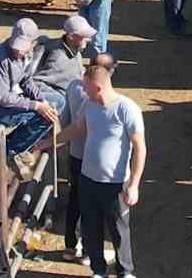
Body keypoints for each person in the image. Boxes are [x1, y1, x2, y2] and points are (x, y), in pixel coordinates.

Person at [53, 60, 146, 278]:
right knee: (91, 227)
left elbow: (140, 148)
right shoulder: (89, 105)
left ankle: (125, 271)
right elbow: (76, 129)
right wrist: (49, 142)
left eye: (86, 88)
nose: (83, 91)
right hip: (88, 180)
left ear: (98, 87)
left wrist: (134, 185)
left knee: (119, 230)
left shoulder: (126, 108)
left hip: (115, 183)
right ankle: (98, 270)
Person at [0, 18, 60, 157]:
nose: (18, 50)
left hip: (6, 98)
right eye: (16, 45)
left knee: (55, 103)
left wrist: (41, 100)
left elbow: (26, 80)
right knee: (44, 117)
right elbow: (2, 98)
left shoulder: (27, 54)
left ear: (33, 43)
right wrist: (37, 106)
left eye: (23, 46)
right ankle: (10, 152)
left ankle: (11, 141)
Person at [34, 15, 97, 102]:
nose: (89, 39)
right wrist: (60, 98)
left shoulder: (74, 48)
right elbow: (36, 82)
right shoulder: (59, 59)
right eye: (84, 35)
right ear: (71, 36)